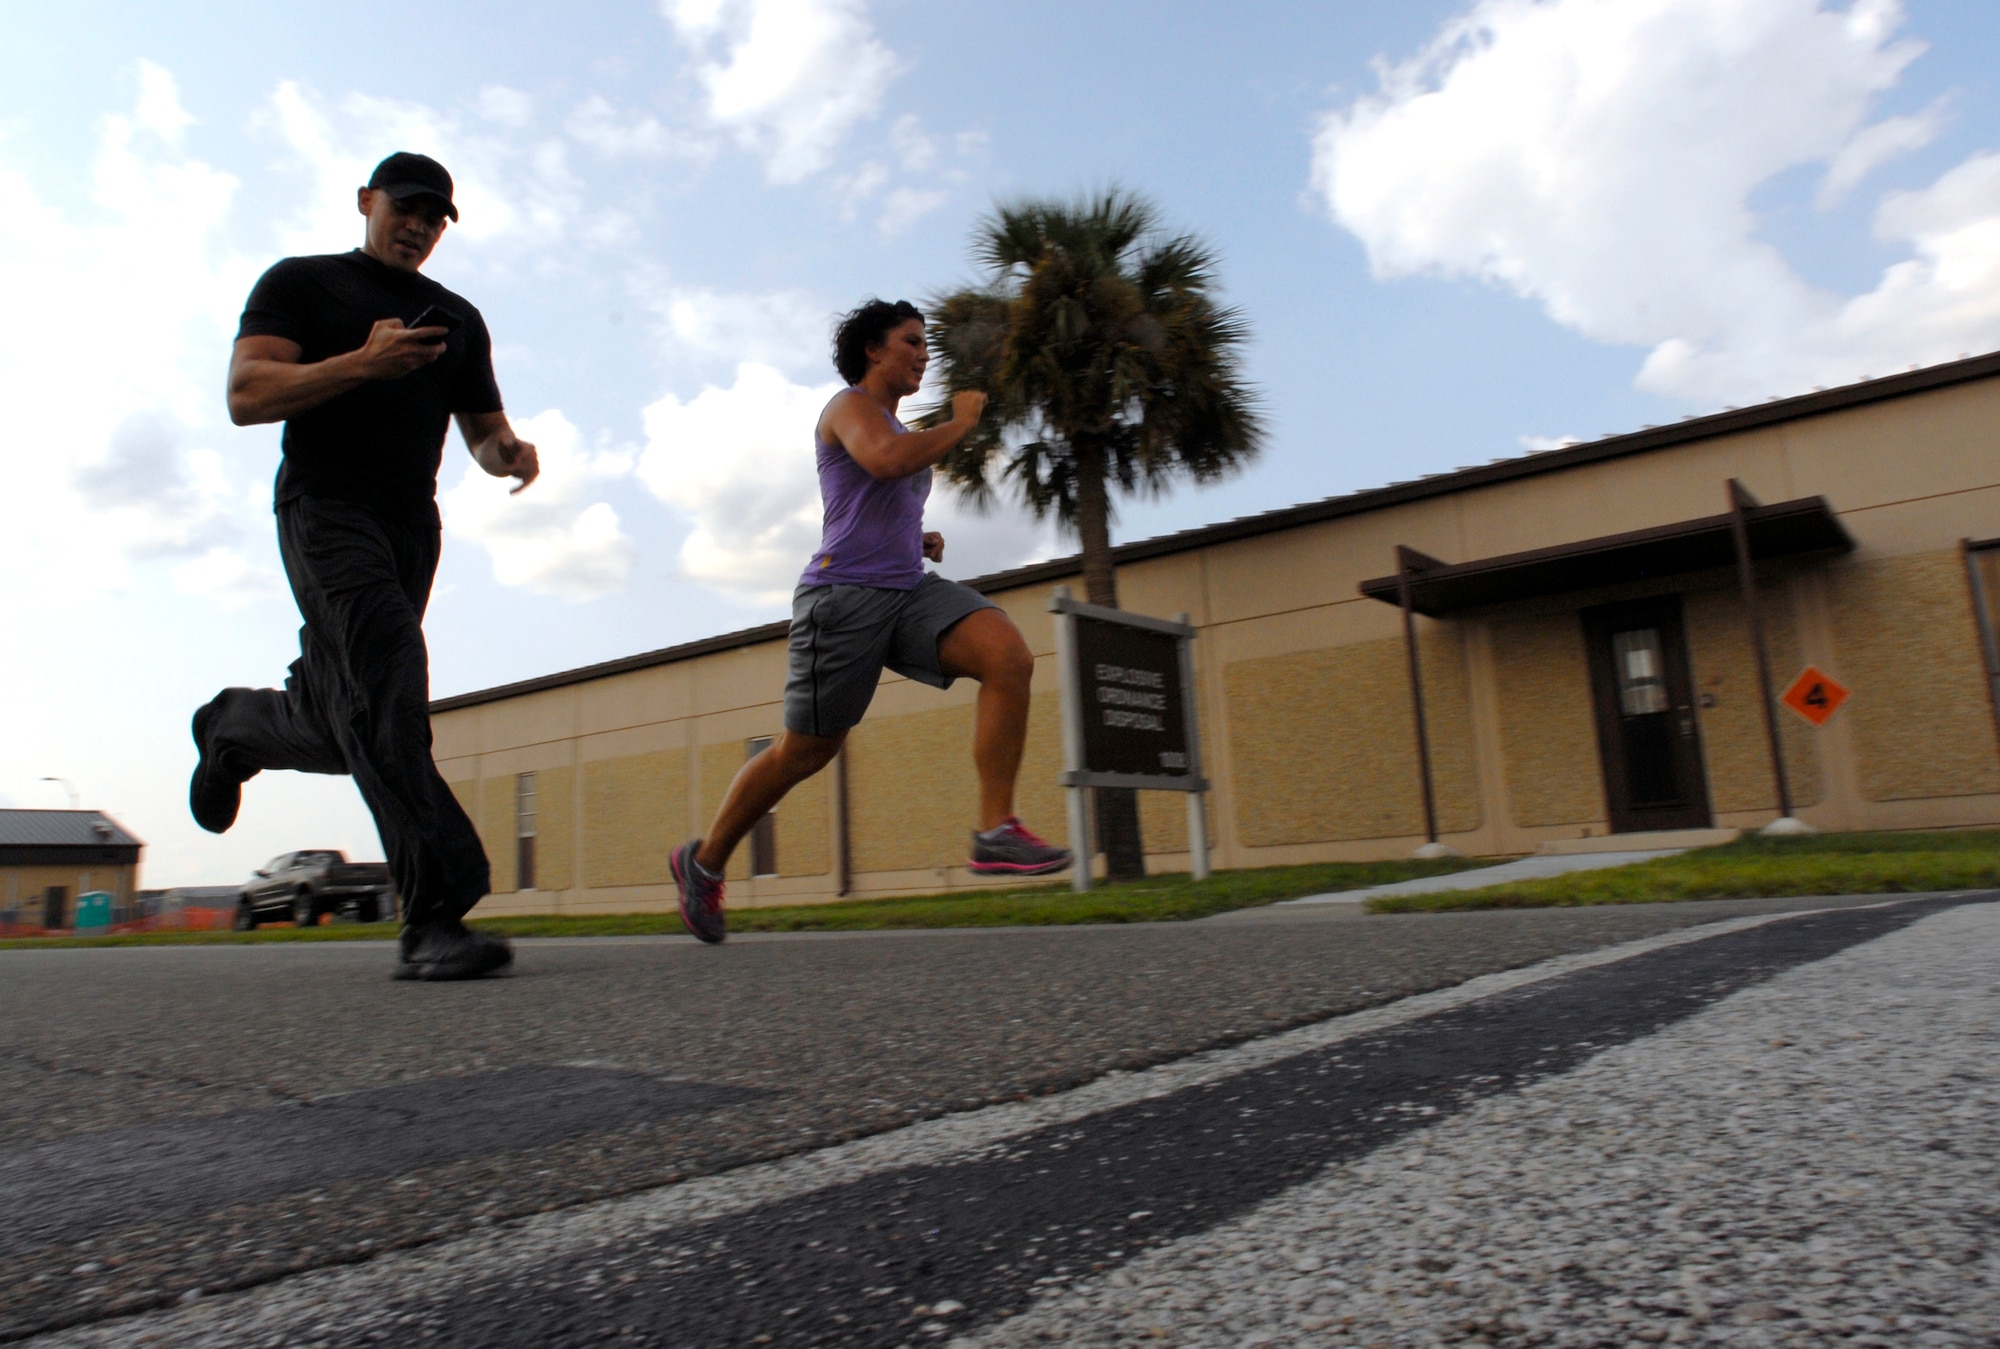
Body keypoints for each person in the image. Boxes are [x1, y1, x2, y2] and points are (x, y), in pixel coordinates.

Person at [189, 152, 538, 981]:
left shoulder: (457, 316)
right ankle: (434, 913)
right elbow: (246, 393)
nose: (419, 226)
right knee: (390, 680)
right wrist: (360, 364)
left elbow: (483, 428)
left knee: (353, 715)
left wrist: (506, 452)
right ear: (365, 202)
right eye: (407, 208)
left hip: (411, 525)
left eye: (436, 217)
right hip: (325, 507)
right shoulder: (303, 284)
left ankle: (238, 725)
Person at [669, 299, 1071, 943]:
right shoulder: (849, 408)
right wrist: (962, 421)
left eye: (926, 344)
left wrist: (916, 538)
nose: (924, 354)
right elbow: (884, 461)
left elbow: (871, 498)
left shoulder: (896, 426)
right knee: (804, 752)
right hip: (843, 598)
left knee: (1008, 657)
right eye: (911, 341)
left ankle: (996, 830)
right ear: (873, 350)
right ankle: (704, 860)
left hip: (906, 589)